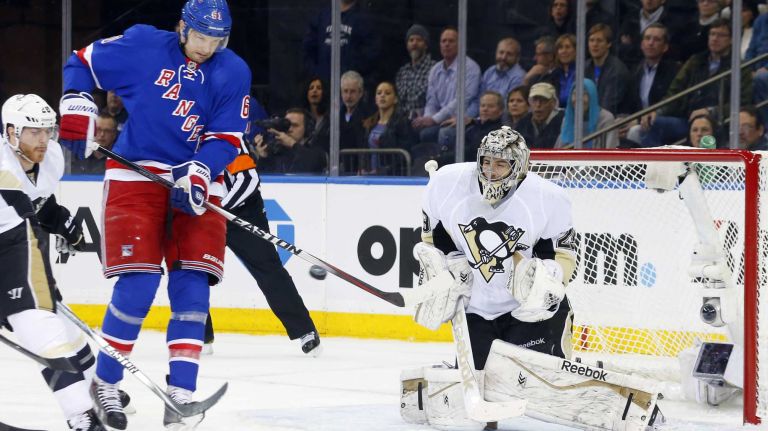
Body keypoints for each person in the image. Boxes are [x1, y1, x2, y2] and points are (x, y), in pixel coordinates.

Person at [58, 0, 252, 429]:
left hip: (196, 179)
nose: (206, 47)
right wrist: (76, 102)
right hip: (136, 172)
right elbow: (81, 62)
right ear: (182, 27)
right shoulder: (144, 44)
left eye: (216, 40)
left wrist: (201, 171)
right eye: (200, 37)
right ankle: (105, 382)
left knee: (193, 284)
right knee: (139, 283)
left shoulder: (233, 70)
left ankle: (181, 392)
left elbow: (225, 136)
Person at [416, 125, 577, 373]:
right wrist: (442, 268)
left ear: (519, 166)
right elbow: (432, 240)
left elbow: (563, 257)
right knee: (482, 383)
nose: (490, 171)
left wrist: (547, 277)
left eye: (501, 164)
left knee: (533, 386)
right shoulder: (446, 184)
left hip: (527, 312)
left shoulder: (548, 198)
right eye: (486, 161)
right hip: (477, 309)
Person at [0, 94, 101, 430]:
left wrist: (61, 220)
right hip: (15, 238)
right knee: (39, 319)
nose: (43, 139)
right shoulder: (1, 163)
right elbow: (22, 203)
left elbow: (37, 205)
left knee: (45, 319)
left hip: (16, 240)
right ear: (11, 132)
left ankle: (90, 396)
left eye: (47, 130)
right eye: (33, 132)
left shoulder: (52, 157)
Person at [641, 19, 752, 147]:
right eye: (712, 34)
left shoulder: (739, 67)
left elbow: (743, 102)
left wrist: (711, 111)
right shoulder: (695, 61)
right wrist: (658, 111)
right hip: (688, 120)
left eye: (721, 35)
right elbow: (675, 92)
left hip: (720, 123)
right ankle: (652, 165)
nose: (715, 39)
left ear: (732, 40)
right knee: (653, 122)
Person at [411, 27, 481, 158]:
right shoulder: (435, 70)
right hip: (440, 120)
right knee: (414, 130)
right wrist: (427, 118)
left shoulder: (470, 68)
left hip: (463, 118)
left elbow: (462, 100)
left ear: (460, 44)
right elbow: (431, 101)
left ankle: (445, 168)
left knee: (444, 133)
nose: (446, 44)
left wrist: (434, 119)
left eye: (451, 41)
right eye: (443, 41)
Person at [359, 81, 416, 175]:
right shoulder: (370, 124)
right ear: (375, 99)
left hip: (392, 176)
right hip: (370, 175)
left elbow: (404, 154)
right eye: (379, 93)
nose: (382, 95)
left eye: (387, 93)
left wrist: (385, 170)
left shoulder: (402, 122)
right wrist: (363, 168)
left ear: (395, 99)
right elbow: (366, 152)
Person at [255, 108, 327, 174]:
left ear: (307, 129)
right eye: (286, 125)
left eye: (295, 125)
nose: (289, 129)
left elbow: (311, 163)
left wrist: (292, 144)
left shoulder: (317, 152)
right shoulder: (275, 152)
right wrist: (263, 158)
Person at [557, 79, 618, 149]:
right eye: (574, 94)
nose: (578, 99)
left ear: (592, 96)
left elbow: (609, 150)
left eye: (584, 94)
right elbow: (560, 149)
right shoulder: (567, 119)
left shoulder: (605, 119)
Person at [584, 23, 631, 116]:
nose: (594, 44)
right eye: (591, 40)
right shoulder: (585, 67)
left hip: (612, 121)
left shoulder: (617, 70)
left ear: (609, 44)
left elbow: (608, 107)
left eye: (599, 41)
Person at [395, 24, 436, 119]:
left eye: (419, 40)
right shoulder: (402, 72)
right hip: (402, 121)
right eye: (411, 40)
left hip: (424, 120)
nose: (414, 43)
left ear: (426, 45)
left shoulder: (434, 68)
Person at [515, 82, 564, 149]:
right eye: (534, 100)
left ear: (553, 103)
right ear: (529, 102)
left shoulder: (563, 122)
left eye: (543, 100)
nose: (538, 105)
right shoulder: (523, 123)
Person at [465, 91, 505, 160]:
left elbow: (472, 151)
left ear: (500, 110)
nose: (485, 109)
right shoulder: (471, 128)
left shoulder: (499, 132)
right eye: (483, 105)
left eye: (490, 106)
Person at [340, 70, 371, 151]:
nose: (348, 96)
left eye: (352, 91)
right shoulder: (335, 115)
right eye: (345, 91)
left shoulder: (368, 114)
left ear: (360, 93)